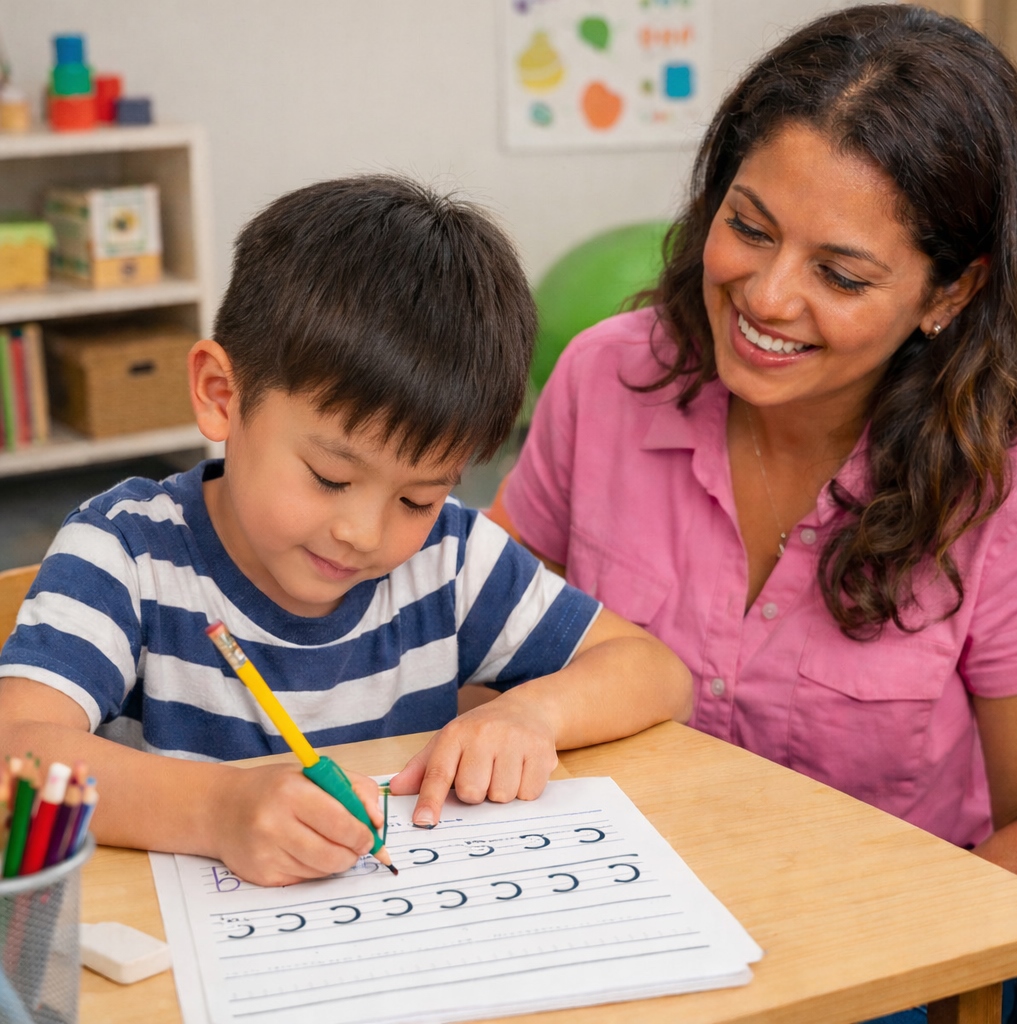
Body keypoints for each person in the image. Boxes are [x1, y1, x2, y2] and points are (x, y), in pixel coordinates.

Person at [493, 6, 1017, 1020]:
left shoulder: (999, 486)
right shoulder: (605, 376)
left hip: (877, 963)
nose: (767, 296)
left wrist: (844, 961)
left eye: (839, 273)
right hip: (596, 929)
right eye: (749, 226)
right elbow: (479, 647)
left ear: (949, 291)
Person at [0, 175, 691, 887]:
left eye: (418, 498)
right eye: (331, 478)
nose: (363, 533)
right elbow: (13, 757)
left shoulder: (449, 558)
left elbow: (657, 674)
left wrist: (534, 714)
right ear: (221, 396)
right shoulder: (125, 552)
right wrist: (215, 811)